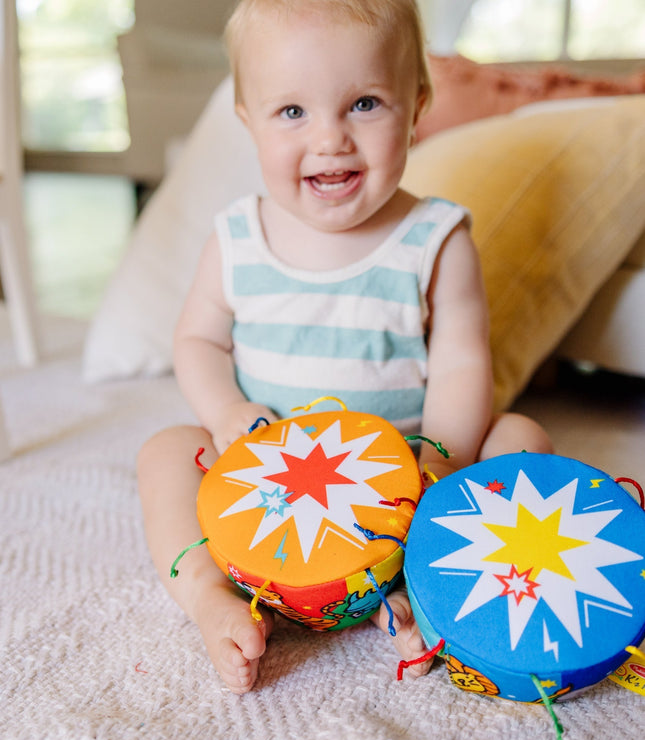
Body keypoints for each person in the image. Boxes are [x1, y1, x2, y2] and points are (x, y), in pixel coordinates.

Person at [137, 0, 552, 695]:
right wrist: (227, 410)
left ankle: (428, 584)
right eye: (292, 112)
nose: (329, 138)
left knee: (520, 434)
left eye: (363, 103)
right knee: (165, 453)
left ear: (416, 107)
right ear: (248, 120)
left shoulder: (435, 237)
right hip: (265, 487)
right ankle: (211, 595)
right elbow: (199, 340)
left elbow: (460, 360)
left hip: (400, 480)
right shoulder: (237, 238)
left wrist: (438, 454)